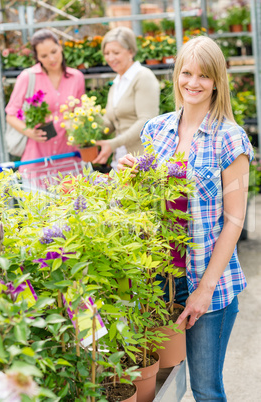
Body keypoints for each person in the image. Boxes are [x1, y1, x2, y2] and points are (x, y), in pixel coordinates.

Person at [118, 36, 254, 401]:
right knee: (160, 383)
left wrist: (203, 292)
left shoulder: (231, 140)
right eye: (186, 73)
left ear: (217, 81)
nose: (193, 83)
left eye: (204, 76)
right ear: (176, 75)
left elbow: (234, 221)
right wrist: (131, 175)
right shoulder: (156, 130)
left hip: (208, 285)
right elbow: (145, 204)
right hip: (158, 282)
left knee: (205, 390)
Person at [5, 29, 85, 178]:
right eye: (44, 56)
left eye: (54, 51)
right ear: (37, 57)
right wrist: (29, 132)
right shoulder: (28, 77)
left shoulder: (76, 77)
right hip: (37, 159)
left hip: (68, 158)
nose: (51, 58)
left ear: (60, 46)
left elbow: (81, 112)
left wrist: (74, 123)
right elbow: (10, 115)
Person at [92, 26, 160, 170]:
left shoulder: (143, 77)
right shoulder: (116, 84)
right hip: (122, 160)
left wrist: (114, 143)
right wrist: (88, 117)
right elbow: (110, 124)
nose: (110, 58)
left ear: (130, 51)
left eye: (116, 52)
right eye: (106, 53)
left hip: (142, 160)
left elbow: (146, 121)